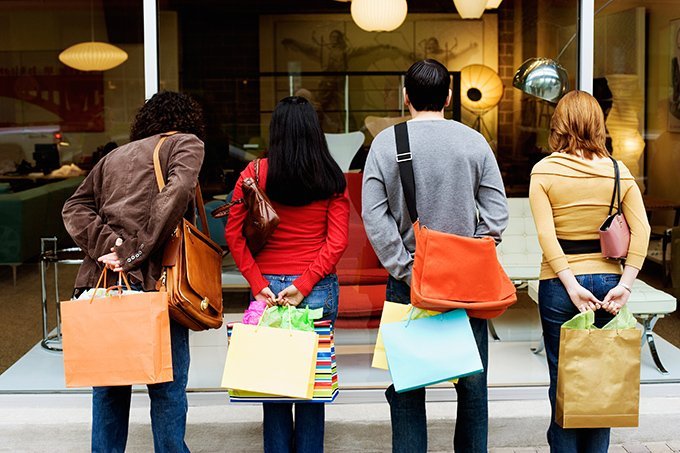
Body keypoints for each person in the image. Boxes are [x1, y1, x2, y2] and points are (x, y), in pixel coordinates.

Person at [362, 59, 509, 453]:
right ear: (448, 96)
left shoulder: (385, 144)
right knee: (473, 389)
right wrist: (468, 256)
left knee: (409, 388)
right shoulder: (474, 142)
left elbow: (374, 218)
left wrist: (407, 268)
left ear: (405, 97)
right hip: (468, 286)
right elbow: (497, 215)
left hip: (408, 284)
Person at [62, 91, 206, 453]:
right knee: (168, 388)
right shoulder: (186, 143)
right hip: (159, 283)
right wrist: (132, 251)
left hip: (106, 285)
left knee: (109, 388)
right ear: (186, 120)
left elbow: (74, 206)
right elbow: (177, 193)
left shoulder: (113, 157)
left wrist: (108, 246)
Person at [225, 95, 349, 453]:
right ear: (315, 131)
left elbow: (233, 235)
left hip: (267, 292)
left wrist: (258, 283)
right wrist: (304, 283)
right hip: (316, 290)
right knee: (312, 386)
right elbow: (337, 241)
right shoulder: (331, 177)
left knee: (273, 383)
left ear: (275, 131)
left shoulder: (254, 174)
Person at [529, 90, 651, 453]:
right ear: (599, 124)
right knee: (602, 380)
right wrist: (626, 285)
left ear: (559, 125)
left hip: (559, 285)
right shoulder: (618, 170)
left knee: (563, 380)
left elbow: (545, 237)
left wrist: (570, 284)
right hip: (608, 283)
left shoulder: (544, 170)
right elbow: (641, 229)